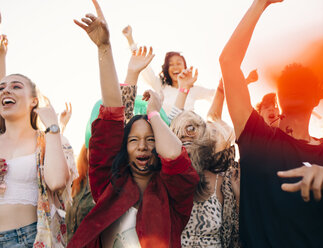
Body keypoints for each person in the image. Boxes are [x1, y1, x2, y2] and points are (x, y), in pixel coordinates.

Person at [219, 0, 323, 247]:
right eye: (288, 83)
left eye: (303, 83)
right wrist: (261, 3)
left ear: (315, 99)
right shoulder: (256, 135)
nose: (294, 86)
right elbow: (228, 61)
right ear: (279, 96)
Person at [69, 1, 199, 247]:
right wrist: (104, 48)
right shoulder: (108, 186)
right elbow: (111, 115)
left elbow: (175, 155)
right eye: (134, 140)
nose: (143, 147)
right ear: (123, 149)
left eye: (151, 140)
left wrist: (155, 114)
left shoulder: (174, 196)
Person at [0, 73, 76, 247]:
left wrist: (53, 127)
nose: (6, 91)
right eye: (1, 88)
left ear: (34, 100)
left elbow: (57, 182)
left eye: (16, 86)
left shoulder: (47, 139)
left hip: (27, 238)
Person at [168, 70, 240, 247]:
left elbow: (236, 235)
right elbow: (172, 128)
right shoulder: (179, 172)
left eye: (215, 133)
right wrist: (184, 89)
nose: (208, 135)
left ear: (226, 146)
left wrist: (239, 198)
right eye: (208, 131)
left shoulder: (230, 181)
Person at [122, 25, 215, 115]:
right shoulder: (161, 86)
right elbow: (144, 69)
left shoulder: (193, 89)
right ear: (167, 69)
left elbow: (214, 94)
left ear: (185, 67)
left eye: (179, 63)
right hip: (165, 127)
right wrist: (130, 40)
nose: (175, 67)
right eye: (171, 64)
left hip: (186, 126)